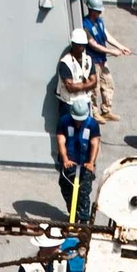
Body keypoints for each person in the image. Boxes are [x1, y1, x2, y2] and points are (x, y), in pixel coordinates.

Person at [82, 0, 131, 123]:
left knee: (108, 85)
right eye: (98, 11)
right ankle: (94, 113)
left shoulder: (99, 21)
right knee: (94, 89)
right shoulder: (85, 25)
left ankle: (106, 111)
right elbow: (93, 45)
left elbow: (107, 36)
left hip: (102, 60)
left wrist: (121, 47)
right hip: (93, 62)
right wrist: (111, 51)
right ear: (91, 10)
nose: (100, 13)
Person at [56, 95, 100, 223]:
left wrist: (91, 162)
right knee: (65, 187)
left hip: (85, 163)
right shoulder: (64, 121)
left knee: (83, 192)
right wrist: (65, 159)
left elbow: (95, 143)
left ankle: (83, 221)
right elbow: (60, 140)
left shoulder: (92, 124)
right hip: (69, 162)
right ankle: (73, 214)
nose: (79, 122)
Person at [56, 29, 96, 110]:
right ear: (72, 44)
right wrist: (87, 83)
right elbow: (71, 88)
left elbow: (94, 83)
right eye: (78, 45)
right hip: (69, 103)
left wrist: (78, 85)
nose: (81, 47)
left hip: (85, 101)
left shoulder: (88, 59)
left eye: (83, 44)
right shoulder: (66, 62)